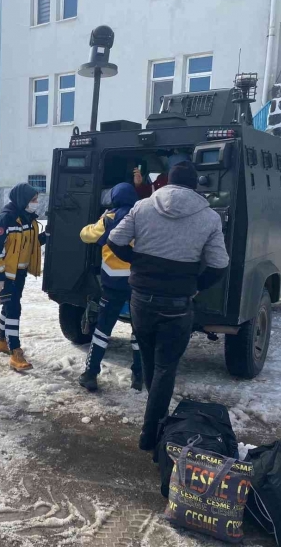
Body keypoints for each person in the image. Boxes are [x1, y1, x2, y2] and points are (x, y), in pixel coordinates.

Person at [107, 161, 229, 451]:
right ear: (195, 185)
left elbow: (115, 240)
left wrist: (139, 262)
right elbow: (219, 264)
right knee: (165, 368)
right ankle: (151, 435)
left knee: (151, 361)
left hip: (141, 299)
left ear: (166, 183)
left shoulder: (143, 207)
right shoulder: (209, 218)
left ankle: (154, 417)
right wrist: (196, 284)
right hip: (177, 304)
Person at [78, 183, 143, 393]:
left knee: (103, 330)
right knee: (139, 332)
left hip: (112, 284)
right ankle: (139, 376)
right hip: (137, 284)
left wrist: (98, 221)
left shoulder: (109, 218)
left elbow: (86, 236)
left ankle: (90, 374)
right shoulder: (140, 216)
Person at [0, 184, 47, 372]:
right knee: (14, 308)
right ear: (23, 200)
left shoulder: (28, 219)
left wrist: (46, 235)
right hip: (5, 274)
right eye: (33, 200)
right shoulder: (6, 219)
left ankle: (1, 341)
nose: (36, 203)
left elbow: (32, 243)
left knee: (9, 306)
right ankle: (15, 351)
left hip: (19, 272)